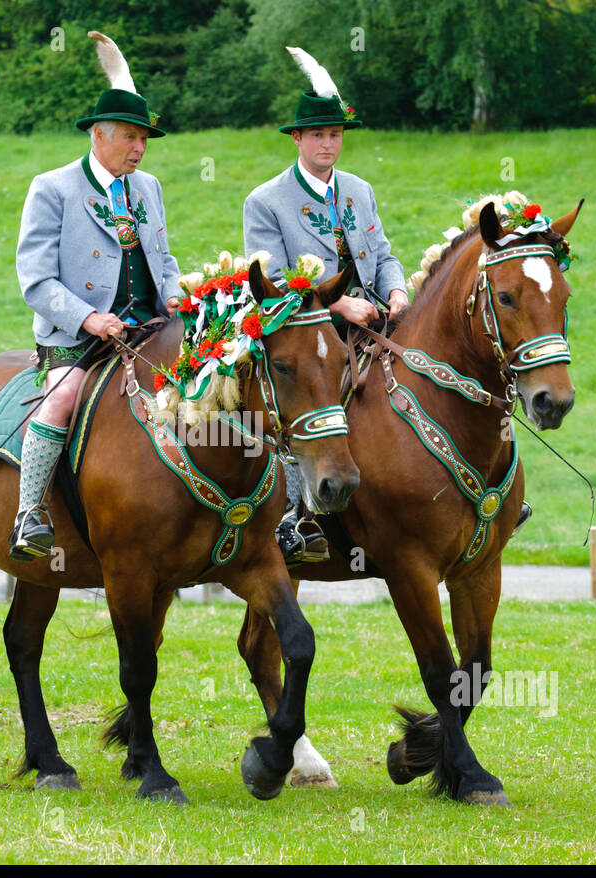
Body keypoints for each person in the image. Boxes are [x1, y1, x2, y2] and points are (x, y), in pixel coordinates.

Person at [9, 31, 182, 561]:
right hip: (77, 342)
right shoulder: (53, 188)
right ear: (99, 135)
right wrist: (90, 319)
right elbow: (35, 279)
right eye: (130, 138)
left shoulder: (148, 187)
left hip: (151, 332)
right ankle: (29, 513)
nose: (139, 148)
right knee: (61, 399)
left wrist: (177, 297)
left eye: (144, 140)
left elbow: (164, 260)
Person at [243, 47, 408, 565]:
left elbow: (382, 254)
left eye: (335, 135)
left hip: (378, 320)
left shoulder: (360, 190)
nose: (328, 144)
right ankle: (295, 515)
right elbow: (269, 283)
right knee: (306, 393)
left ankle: (456, 494)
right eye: (317, 135)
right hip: (308, 331)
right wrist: (341, 311)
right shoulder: (265, 200)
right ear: (297, 138)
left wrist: (398, 290)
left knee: (439, 372)